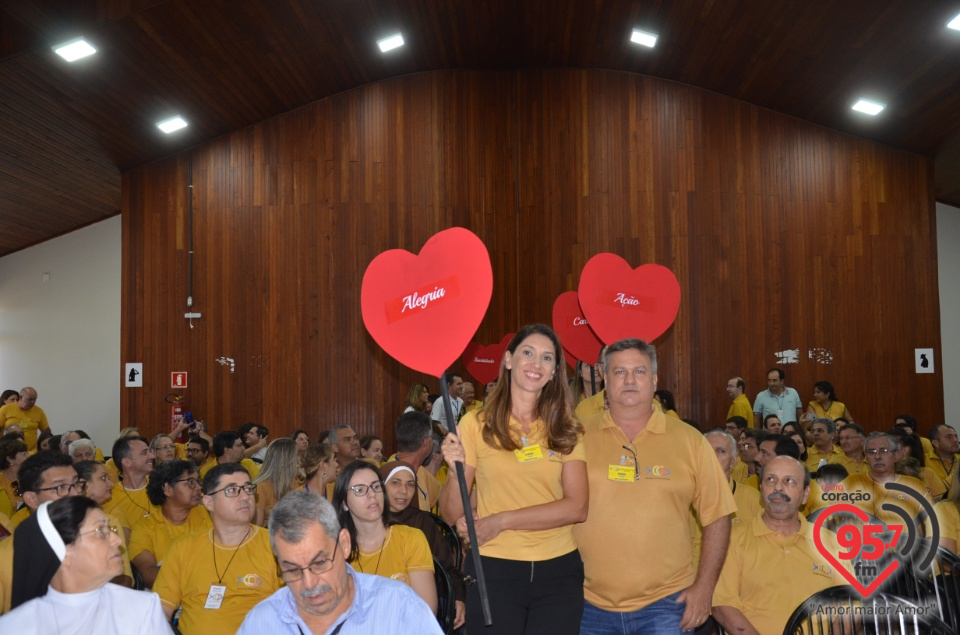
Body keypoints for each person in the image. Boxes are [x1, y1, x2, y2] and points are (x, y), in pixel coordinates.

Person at [575, 339, 734, 634]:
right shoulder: (577, 435)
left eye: (639, 371)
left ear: (655, 379)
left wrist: (705, 588)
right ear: (605, 379)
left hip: (667, 605)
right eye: (620, 372)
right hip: (588, 605)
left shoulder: (690, 440)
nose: (630, 380)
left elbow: (719, 516)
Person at [440, 324, 587, 634]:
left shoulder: (566, 425)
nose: (536, 364)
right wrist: (455, 472)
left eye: (547, 358)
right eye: (528, 353)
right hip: (494, 568)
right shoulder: (475, 424)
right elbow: (454, 514)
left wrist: (503, 520)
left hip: (558, 571)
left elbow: (577, 507)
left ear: (554, 371)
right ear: (508, 360)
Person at [237, 491, 443, 634]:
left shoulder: (398, 607)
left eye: (319, 563)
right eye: (292, 570)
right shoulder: (262, 621)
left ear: (344, 544)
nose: (309, 584)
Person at [712, 456, 850, 634]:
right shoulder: (731, 539)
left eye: (789, 481)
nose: (778, 487)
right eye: (770, 479)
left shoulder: (830, 542)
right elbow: (722, 606)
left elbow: (848, 607)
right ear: (761, 488)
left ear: (805, 494)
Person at [0, 498, 171, 633]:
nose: (117, 540)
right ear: (62, 551)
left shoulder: (142, 608)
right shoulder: (15, 627)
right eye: (101, 531)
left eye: (111, 530)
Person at [153, 463, 282, 634]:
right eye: (232, 490)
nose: (244, 496)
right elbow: (160, 611)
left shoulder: (277, 546)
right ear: (208, 502)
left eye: (248, 488)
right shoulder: (183, 548)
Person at [333, 460, 436, 612]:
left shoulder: (411, 538)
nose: (372, 494)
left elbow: (426, 611)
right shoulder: (335, 550)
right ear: (344, 503)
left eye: (376, 486)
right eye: (360, 490)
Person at [380, 460, 466, 629]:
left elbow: (447, 567)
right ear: (380, 486)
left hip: (419, 606)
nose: (404, 491)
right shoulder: (368, 521)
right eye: (396, 483)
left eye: (410, 484)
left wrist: (459, 598)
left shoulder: (422, 522)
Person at [0, 451, 81, 612]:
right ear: (32, 499)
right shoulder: (7, 557)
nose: (75, 493)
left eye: (76, 484)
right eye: (60, 487)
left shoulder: (96, 540)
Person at [130, 459, 211, 588]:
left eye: (198, 481)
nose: (199, 487)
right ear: (168, 489)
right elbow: (147, 574)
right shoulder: (144, 528)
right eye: (191, 482)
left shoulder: (208, 514)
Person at [841, 432, 930, 527]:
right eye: (872, 452)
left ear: (895, 456)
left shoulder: (914, 485)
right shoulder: (852, 482)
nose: (877, 457)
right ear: (866, 457)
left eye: (883, 451)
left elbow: (929, 522)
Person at [102, 436, 157, 532]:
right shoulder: (109, 498)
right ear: (127, 462)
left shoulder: (161, 486)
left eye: (149, 451)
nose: (152, 456)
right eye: (144, 453)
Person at [253, 438, 300, 526]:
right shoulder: (260, 486)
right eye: (296, 455)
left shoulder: (294, 482)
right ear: (287, 460)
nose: (299, 459)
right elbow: (256, 526)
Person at [0, 387, 50, 452]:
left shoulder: (39, 411)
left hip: (31, 453)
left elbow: (46, 431)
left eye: (34, 400)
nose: (32, 402)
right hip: (9, 451)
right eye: (30, 399)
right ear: (20, 397)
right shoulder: (6, 409)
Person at [0, 438, 27, 519]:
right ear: (10, 459)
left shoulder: (30, 479)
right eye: (24, 454)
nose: (28, 456)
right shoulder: (1, 483)